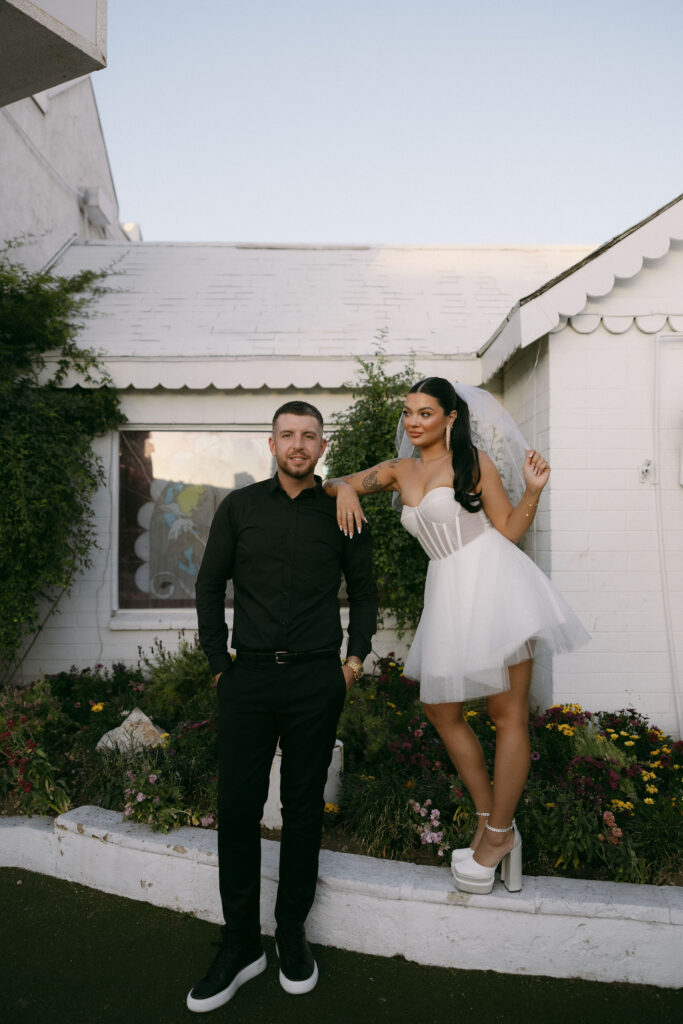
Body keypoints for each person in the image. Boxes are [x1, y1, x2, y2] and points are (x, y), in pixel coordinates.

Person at [323, 377, 588, 896]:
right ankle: (493, 819)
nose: (413, 421)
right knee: (441, 710)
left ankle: (495, 839)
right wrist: (349, 488)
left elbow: (508, 530)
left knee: (505, 713)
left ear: (450, 418)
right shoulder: (399, 472)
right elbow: (333, 481)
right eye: (408, 413)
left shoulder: (474, 464)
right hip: (447, 590)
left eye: (425, 412)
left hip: (496, 584)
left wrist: (532, 492)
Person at [189, 400, 377, 1013]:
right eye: (287, 435)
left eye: (310, 436)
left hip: (316, 682)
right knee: (238, 807)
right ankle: (241, 942)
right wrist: (219, 665)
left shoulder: (342, 509)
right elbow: (209, 584)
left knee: (301, 808)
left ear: (323, 447)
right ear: (270, 444)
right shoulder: (239, 508)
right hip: (247, 680)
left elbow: (367, 589)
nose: (298, 445)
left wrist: (353, 662)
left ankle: (290, 932)